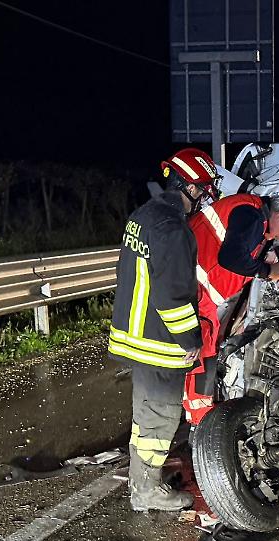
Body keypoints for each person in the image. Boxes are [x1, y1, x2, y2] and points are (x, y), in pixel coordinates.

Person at [108, 147, 219, 511]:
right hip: (157, 341)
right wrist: (192, 339)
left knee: (145, 416)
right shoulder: (174, 230)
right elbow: (173, 298)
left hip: (133, 336)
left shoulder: (144, 216)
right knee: (161, 416)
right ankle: (146, 492)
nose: (204, 197)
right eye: (202, 189)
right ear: (187, 187)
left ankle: (141, 483)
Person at [183, 193, 279, 424]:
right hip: (194, 293)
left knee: (204, 358)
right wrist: (268, 271)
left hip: (201, 295)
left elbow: (240, 252)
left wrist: (267, 262)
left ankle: (198, 421)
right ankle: (199, 424)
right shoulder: (250, 216)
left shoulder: (254, 217)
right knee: (202, 361)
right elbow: (231, 257)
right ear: (278, 215)